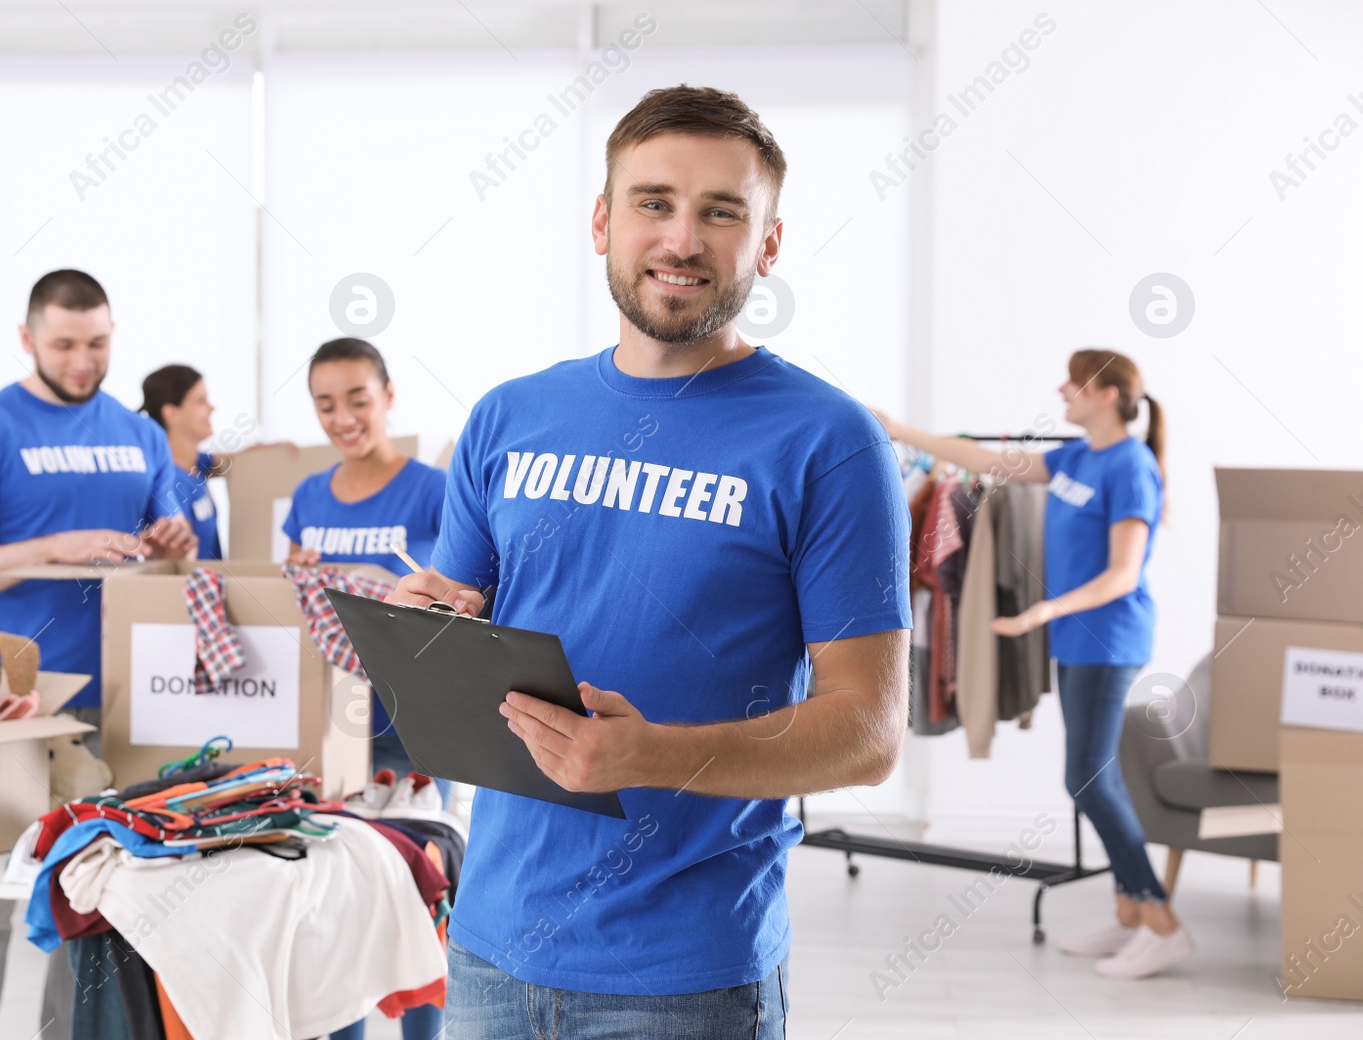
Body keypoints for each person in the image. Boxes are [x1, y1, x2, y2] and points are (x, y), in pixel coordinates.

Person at [387, 85, 911, 1039]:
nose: (682, 239)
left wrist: (651, 754)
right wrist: (427, 631)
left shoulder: (830, 443)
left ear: (769, 245)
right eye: (654, 202)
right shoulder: (507, 417)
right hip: (489, 945)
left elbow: (869, 733)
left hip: (685, 977)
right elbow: (461, 643)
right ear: (602, 220)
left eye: (723, 212)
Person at [0, 269, 197, 1040]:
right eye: (64, 343)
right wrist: (53, 550)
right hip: (11, 703)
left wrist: (176, 539)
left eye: (98, 343)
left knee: (89, 900)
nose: (83, 359)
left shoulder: (140, 434)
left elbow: (171, 547)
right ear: (27, 339)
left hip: (123, 702)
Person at [875, 349, 1189, 980]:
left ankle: (1161, 921)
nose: (1062, 389)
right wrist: (901, 430)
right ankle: (1128, 911)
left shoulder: (1130, 466)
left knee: (1089, 780)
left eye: (1076, 380)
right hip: (1076, 641)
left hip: (1109, 640)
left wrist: (1042, 614)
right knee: (1091, 778)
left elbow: (1124, 573)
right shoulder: (1076, 458)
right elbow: (989, 462)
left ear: (1106, 395)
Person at [275, 338, 448, 1040]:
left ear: (387, 395)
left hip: (417, 719)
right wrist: (303, 568)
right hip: (337, 722)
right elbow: (291, 603)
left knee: (417, 888)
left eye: (357, 398)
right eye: (325, 403)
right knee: (337, 895)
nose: (342, 416)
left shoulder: (431, 491)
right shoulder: (310, 497)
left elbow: (456, 591)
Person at [138, 362, 299, 560]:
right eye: (201, 401)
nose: (212, 408)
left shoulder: (198, 464)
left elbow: (232, 461)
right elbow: (178, 562)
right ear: (172, 413)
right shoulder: (169, 484)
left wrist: (271, 451)